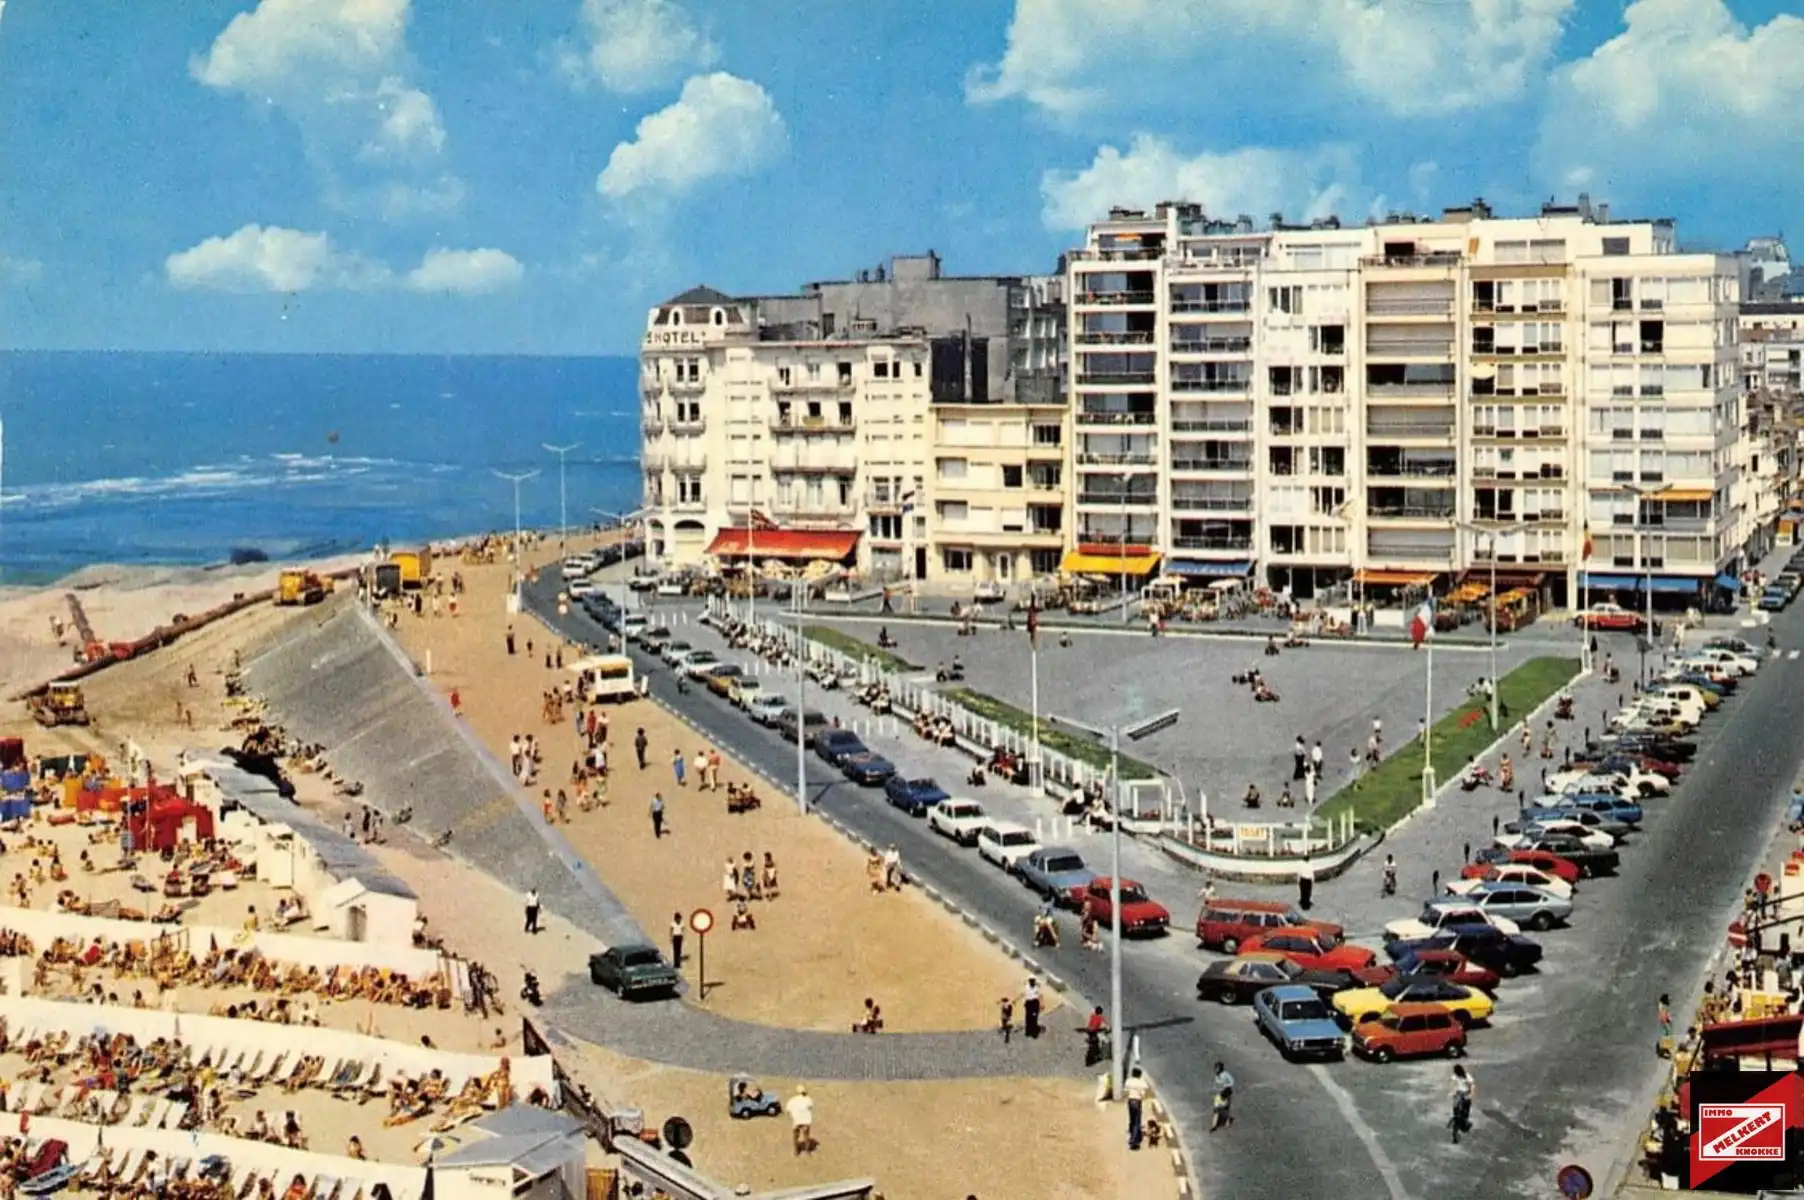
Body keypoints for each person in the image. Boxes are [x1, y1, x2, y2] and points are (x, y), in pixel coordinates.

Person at [1124, 1066, 1150, 1150]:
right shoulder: (1141, 1083)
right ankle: (1134, 1141)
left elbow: (1126, 1091)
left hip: (1130, 1101)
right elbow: (1144, 1092)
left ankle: (1132, 1135)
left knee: (1131, 1119)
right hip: (1137, 1102)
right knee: (1137, 1121)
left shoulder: (1129, 1081)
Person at [785, 1085, 814, 1155]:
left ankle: (796, 1151)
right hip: (806, 1120)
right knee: (806, 1136)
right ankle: (807, 1151)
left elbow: (788, 1110)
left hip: (796, 1120)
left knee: (796, 1136)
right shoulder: (808, 1099)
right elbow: (810, 1107)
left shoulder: (792, 1100)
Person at [1450, 1064, 1475, 1143]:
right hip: (1459, 1094)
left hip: (1465, 1094)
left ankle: (1464, 1124)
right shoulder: (1454, 1076)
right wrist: (1452, 1092)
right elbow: (1453, 1084)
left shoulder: (1467, 1076)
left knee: (1465, 1111)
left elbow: (1472, 1085)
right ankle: (1456, 1132)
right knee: (1457, 1112)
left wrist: (1471, 1094)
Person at [1210, 1062, 1235, 1131]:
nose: (1216, 1070)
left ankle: (1227, 1122)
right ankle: (1214, 1125)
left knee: (1226, 1108)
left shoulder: (1226, 1074)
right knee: (1216, 1109)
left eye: (1217, 1068)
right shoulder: (1216, 1075)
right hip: (1219, 1093)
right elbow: (1216, 1083)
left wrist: (1225, 1086)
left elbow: (1232, 1082)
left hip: (1226, 1093)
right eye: (1215, 1068)